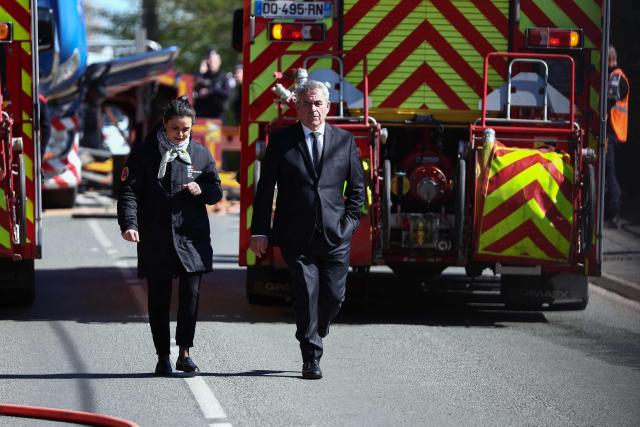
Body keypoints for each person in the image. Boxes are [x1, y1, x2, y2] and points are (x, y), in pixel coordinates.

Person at [250, 80, 365, 380]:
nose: (312, 109)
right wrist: (259, 230)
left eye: (318, 104)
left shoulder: (345, 141)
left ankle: (319, 327)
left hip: (335, 234)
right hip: (295, 233)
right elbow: (265, 189)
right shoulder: (282, 141)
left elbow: (357, 190)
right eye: (306, 104)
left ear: (328, 107)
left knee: (334, 297)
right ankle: (310, 356)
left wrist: (349, 225)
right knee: (305, 291)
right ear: (296, 108)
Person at [117, 96, 223, 376]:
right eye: (175, 128)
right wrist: (130, 224)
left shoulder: (201, 155)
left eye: (186, 129)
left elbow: (216, 189)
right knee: (159, 299)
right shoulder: (145, 154)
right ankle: (163, 355)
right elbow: (128, 191)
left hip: (191, 238)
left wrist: (204, 191)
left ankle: (184, 353)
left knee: (191, 295)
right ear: (164, 125)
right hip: (156, 236)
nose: (180, 134)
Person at [605, 45, 629, 229]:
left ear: (609, 59)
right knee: (609, 171)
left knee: (609, 172)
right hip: (614, 131)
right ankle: (611, 211)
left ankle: (614, 213)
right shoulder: (615, 76)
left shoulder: (616, 76)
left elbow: (610, 99)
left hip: (612, 132)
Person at [193, 49, 233, 119]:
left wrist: (209, 92)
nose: (212, 62)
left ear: (219, 61)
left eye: (214, 60)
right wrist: (200, 71)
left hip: (216, 115)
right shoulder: (202, 74)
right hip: (200, 114)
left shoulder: (223, 76)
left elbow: (227, 94)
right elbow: (192, 85)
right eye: (210, 60)